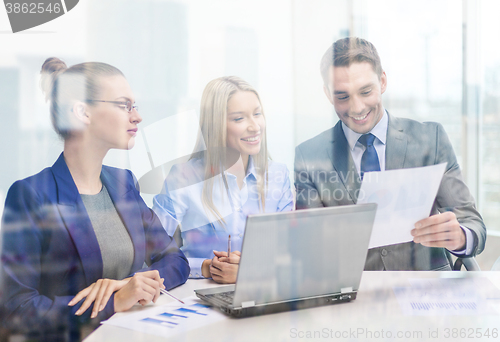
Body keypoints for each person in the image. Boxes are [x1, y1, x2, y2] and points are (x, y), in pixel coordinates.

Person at [0, 58, 190, 340]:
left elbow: (175, 259)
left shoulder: (124, 183)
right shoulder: (31, 195)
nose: (136, 116)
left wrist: (128, 285)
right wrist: (113, 302)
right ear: (83, 112)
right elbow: (16, 310)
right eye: (124, 105)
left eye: (134, 106)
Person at [294, 37, 486, 270]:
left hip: (426, 291)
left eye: (365, 91)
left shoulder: (430, 139)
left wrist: (461, 237)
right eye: (342, 96)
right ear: (327, 93)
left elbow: (472, 223)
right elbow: (308, 246)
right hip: (354, 294)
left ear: (382, 81)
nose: (357, 108)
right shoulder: (309, 156)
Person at [153, 76, 293, 283]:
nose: (255, 127)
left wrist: (249, 269)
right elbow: (151, 251)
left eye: (257, 114)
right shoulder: (184, 178)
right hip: (200, 294)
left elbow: (289, 250)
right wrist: (206, 267)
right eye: (239, 119)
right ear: (215, 125)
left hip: (263, 289)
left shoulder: (278, 176)